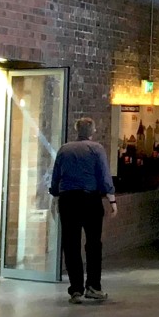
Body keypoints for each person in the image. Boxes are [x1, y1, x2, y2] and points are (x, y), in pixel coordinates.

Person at [50, 116, 115, 303]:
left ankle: (76, 290)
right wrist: (112, 200)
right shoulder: (96, 149)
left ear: (77, 130)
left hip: (68, 199)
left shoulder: (64, 149)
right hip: (90, 199)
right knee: (94, 244)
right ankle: (93, 286)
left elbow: (56, 177)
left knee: (71, 244)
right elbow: (104, 175)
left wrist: (55, 194)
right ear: (92, 131)